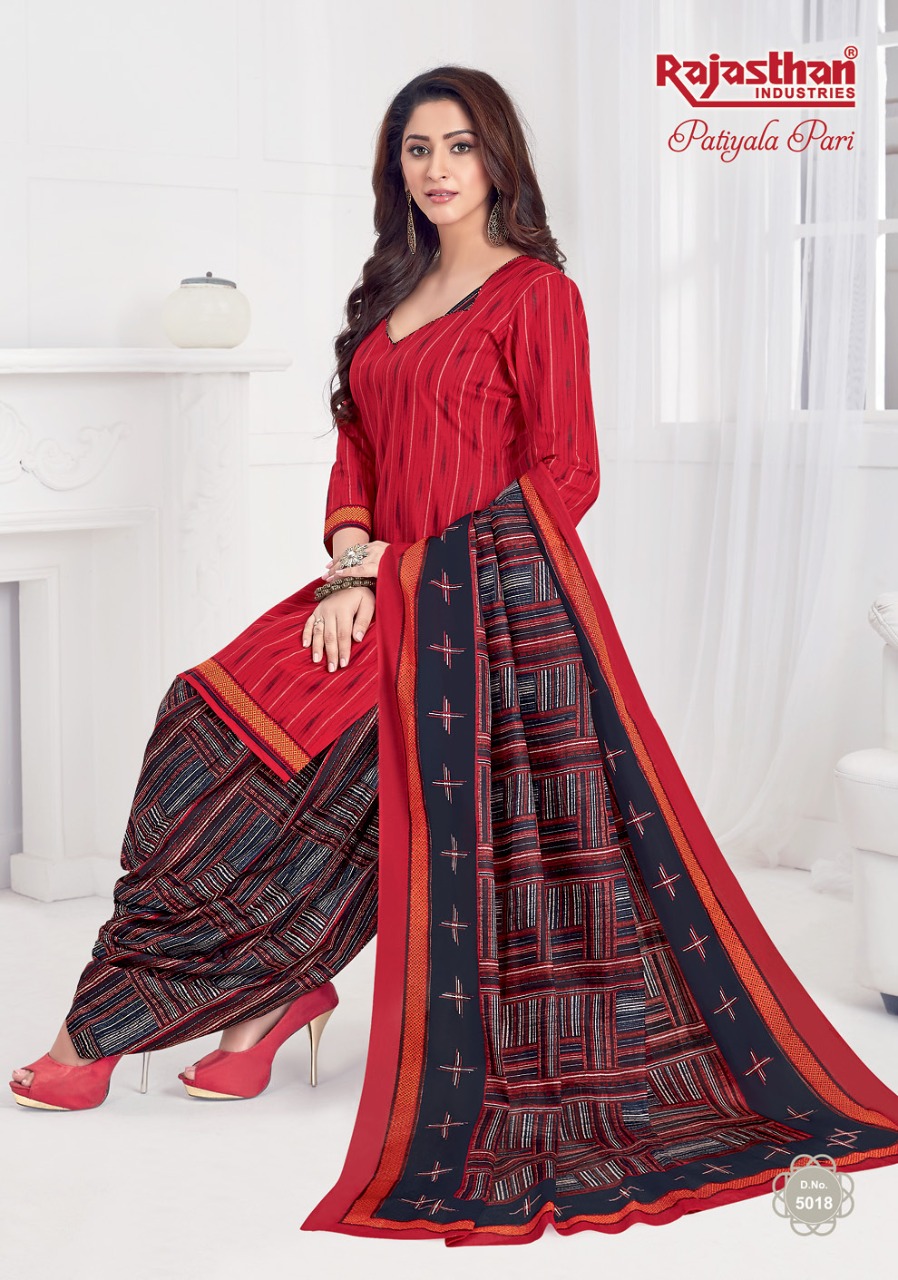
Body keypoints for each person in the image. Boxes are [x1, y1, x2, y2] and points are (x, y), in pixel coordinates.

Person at [10, 65, 898, 1248]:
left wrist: (409, 572)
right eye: (416, 148)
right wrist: (349, 565)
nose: (436, 168)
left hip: (486, 612)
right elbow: (356, 456)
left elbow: (567, 474)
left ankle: (112, 1036)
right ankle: (265, 995)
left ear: (498, 159)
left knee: (334, 787)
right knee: (206, 723)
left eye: (459, 145)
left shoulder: (537, 294)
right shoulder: (391, 290)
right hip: (371, 585)